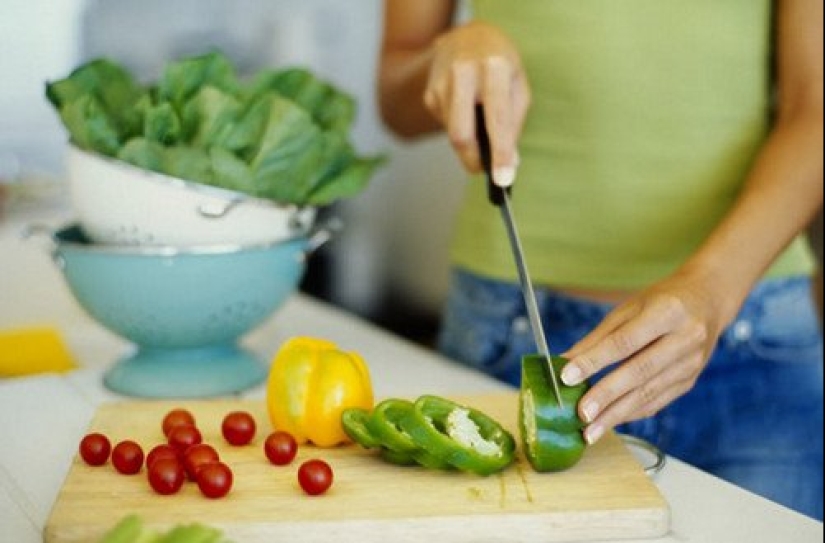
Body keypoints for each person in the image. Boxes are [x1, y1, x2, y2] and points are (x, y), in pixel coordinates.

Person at [378, 0, 824, 520]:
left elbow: (814, 108)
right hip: (511, 329)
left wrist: (713, 290)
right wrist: (448, 56)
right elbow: (395, 95)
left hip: (751, 340)